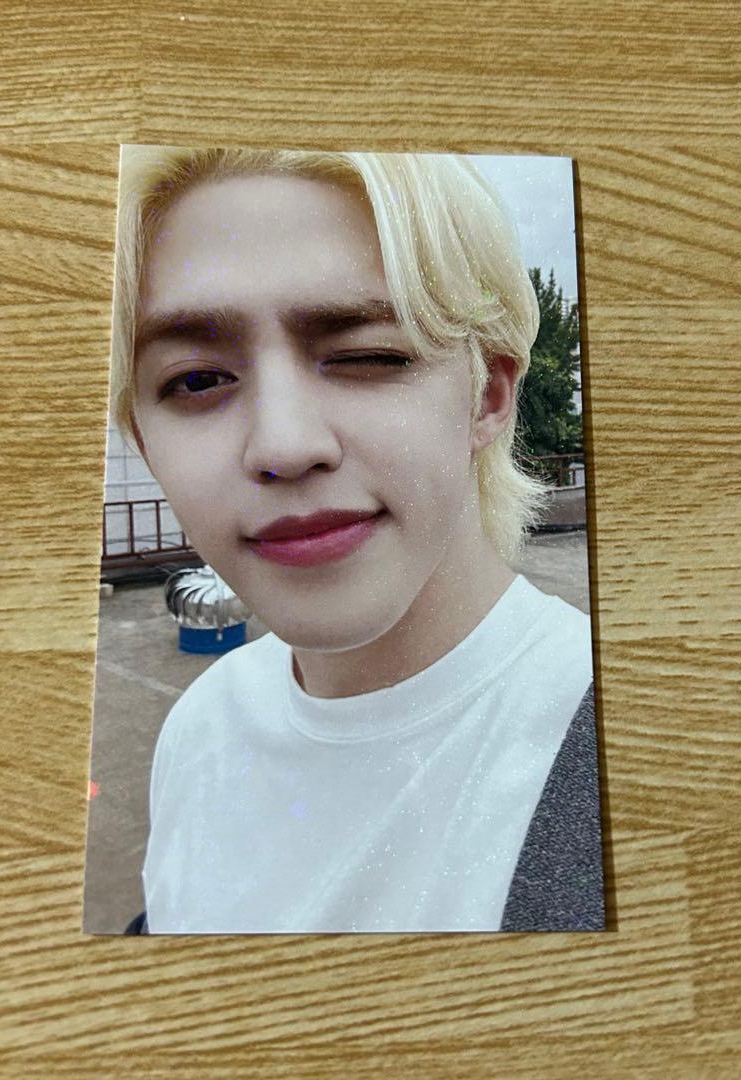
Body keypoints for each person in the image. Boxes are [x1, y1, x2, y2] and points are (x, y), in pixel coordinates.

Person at [108, 146, 602, 933]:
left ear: (488, 396)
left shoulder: (611, 753)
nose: (283, 445)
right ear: (143, 439)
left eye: (368, 355)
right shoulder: (199, 731)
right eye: (196, 379)